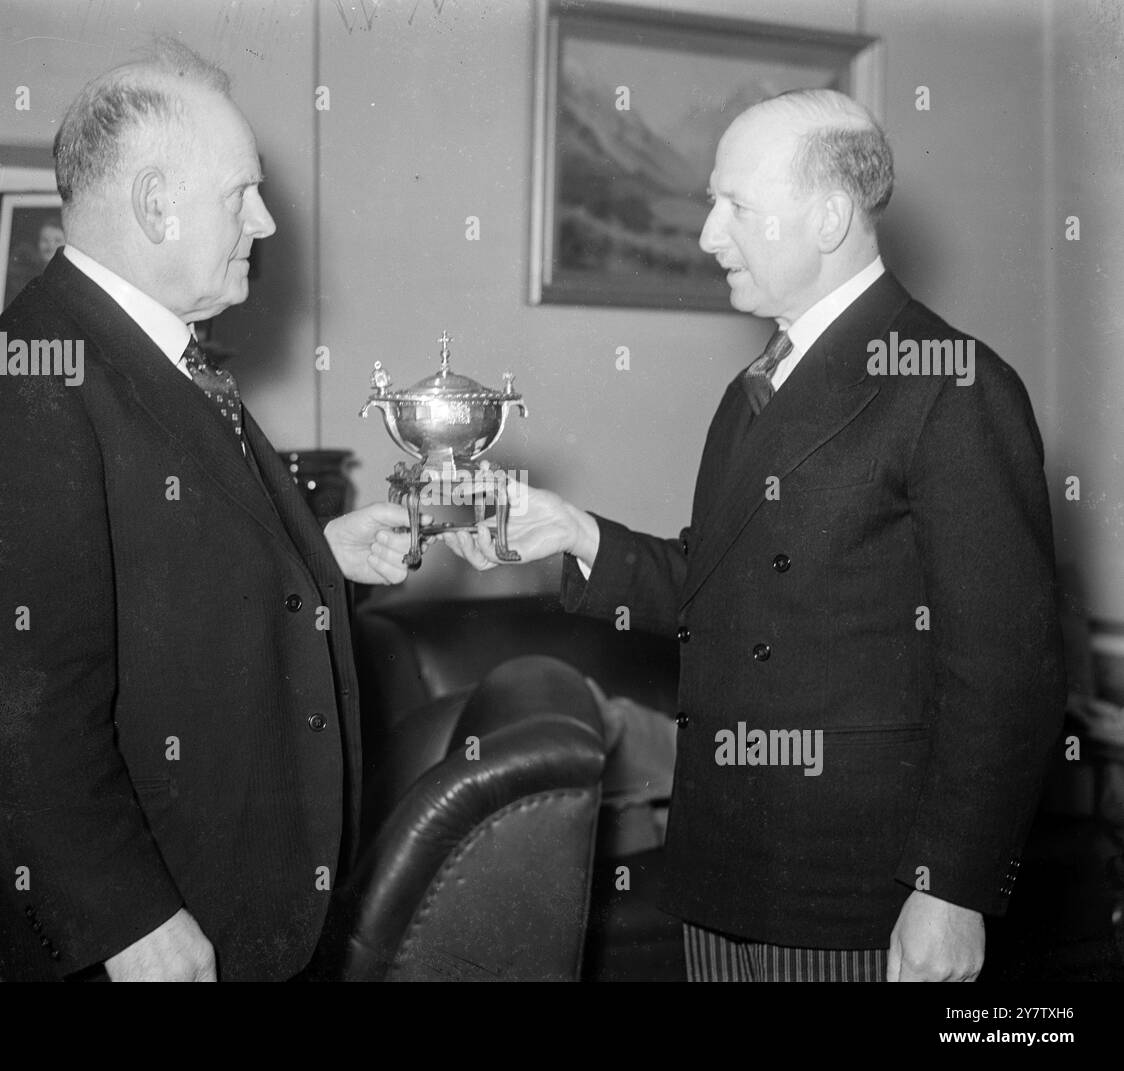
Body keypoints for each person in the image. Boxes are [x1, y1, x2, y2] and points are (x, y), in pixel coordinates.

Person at [450, 89, 1065, 982]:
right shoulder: (758, 386)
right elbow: (718, 586)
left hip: (858, 899)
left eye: (735, 205)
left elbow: (1008, 671)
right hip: (725, 875)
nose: (707, 235)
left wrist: (952, 891)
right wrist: (574, 534)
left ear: (829, 217)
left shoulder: (954, 383)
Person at [0, 39, 419, 982]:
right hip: (155, 930)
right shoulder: (30, 383)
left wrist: (315, 553)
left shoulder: (157, 354)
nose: (267, 222)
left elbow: (164, 559)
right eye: (243, 194)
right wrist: (126, 921)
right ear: (155, 204)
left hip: (236, 898)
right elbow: (7, 700)